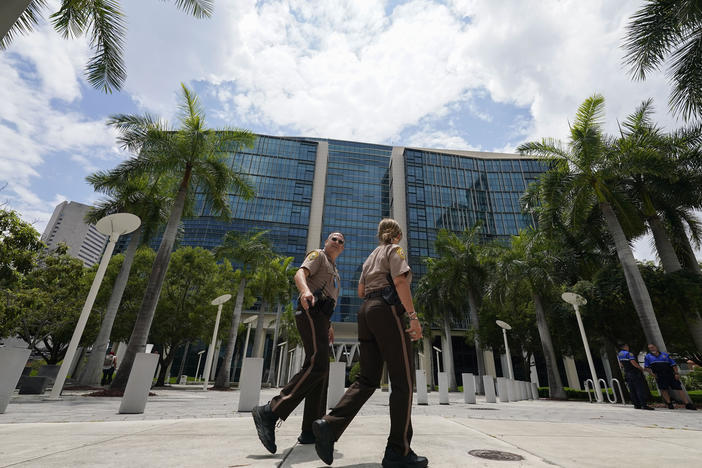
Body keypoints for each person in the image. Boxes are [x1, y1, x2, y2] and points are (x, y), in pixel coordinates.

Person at [312, 218, 427, 468]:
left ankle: (329, 426)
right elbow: (400, 281)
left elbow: (361, 292)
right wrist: (413, 317)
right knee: (403, 381)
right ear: (396, 236)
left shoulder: (370, 257)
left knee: (367, 378)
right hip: (386, 310)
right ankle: (399, 450)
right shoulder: (395, 251)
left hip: (366, 311)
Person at [252, 232, 344, 453]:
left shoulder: (335, 270)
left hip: (322, 318)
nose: (338, 243)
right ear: (326, 241)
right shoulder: (318, 256)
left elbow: (329, 298)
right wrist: (304, 291)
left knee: (321, 371)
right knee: (317, 364)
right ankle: (270, 411)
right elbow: (300, 273)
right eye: (334, 239)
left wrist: (329, 325)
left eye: (341, 242)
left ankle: (310, 430)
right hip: (310, 311)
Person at [644, 344, 696, 411]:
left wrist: (676, 373)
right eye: (650, 348)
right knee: (663, 389)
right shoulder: (648, 357)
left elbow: (673, 365)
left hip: (670, 374)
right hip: (659, 375)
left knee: (679, 388)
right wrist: (652, 374)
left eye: (652, 347)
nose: (651, 349)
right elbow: (646, 367)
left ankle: (687, 404)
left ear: (656, 347)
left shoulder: (665, 355)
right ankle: (669, 403)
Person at [617, 343, 653, 410]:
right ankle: (643, 404)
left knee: (632, 390)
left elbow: (621, 365)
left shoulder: (619, 354)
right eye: (627, 346)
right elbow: (633, 362)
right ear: (625, 347)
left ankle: (636, 405)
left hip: (627, 373)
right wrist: (640, 368)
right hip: (634, 373)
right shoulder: (629, 354)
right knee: (639, 389)